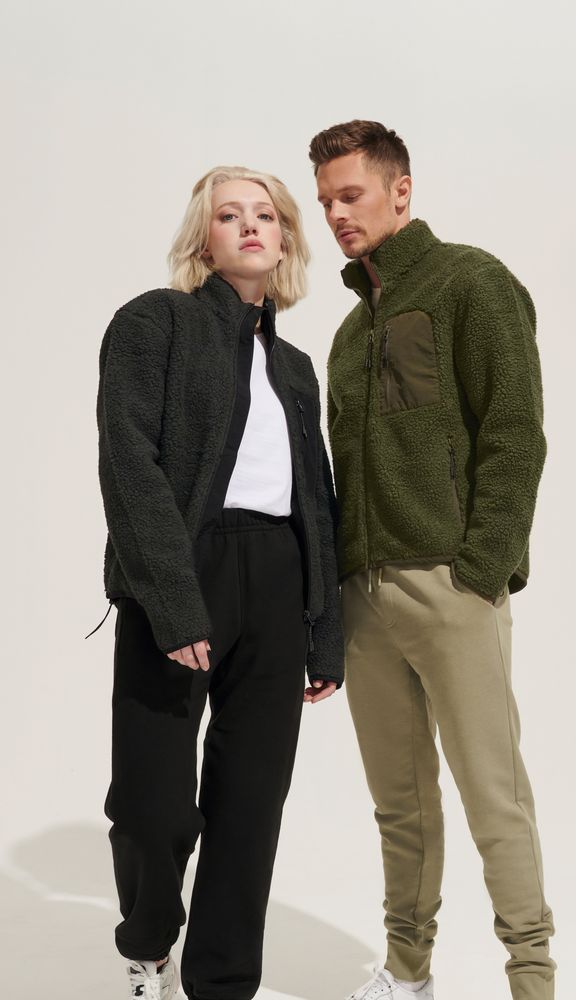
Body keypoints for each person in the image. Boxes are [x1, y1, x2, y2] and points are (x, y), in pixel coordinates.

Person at [308, 120, 556, 1000]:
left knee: (493, 794)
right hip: (364, 598)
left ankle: (531, 976)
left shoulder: (470, 282)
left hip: (450, 588)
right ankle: (408, 971)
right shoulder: (347, 336)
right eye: (325, 200)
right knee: (400, 806)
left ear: (400, 190)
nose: (336, 214)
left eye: (351, 194)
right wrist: (333, 599)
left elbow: (515, 432)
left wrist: (481, 569)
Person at [95, 165, 343, 1000]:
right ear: (203, 237)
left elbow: (317, 499)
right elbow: (129, 463)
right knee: (152, 801)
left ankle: (224, 984)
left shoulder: (295, 366)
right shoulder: (153, 322)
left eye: (264, 214)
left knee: (250, 803)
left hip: (277, 580)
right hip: (179, 569)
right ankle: (148, 944)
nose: (249, 226)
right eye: (228, 214)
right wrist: (172, 602)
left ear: (284, 237)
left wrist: (324, 631)